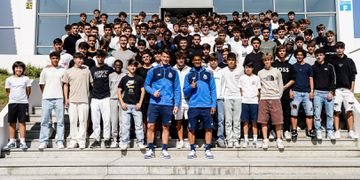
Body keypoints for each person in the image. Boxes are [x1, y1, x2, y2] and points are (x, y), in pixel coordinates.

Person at [144, 50, 181, 159]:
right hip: (154, 103)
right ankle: (150, 148)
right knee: (150, 126)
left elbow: (177, 89)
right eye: (164, 56)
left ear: (169, 58)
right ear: (160, 57)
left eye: (167, 57)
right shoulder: (153, 70)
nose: (165, 59)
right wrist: (152, 92)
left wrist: (176, 104)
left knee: (166, 127)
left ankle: (164, 149)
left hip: (168, 104)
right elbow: (146, 85)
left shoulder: (174, 72)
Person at [183, 55, 217, 159]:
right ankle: (192, 149)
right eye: (195, 60)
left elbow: (213, 90)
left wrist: (213, 104)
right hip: (193, 106)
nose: (197, 61)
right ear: (192, 61)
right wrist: (190, 87)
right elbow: (185, 92)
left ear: (201, 61)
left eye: (199, 60)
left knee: (208, 128)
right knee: (191, 129)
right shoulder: (188, 75)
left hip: (207, 105)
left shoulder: (208, 73)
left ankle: (207, 149)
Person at [62, 52, 93, 149]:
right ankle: (73, 140)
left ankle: (82, 140)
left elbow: (92, 83)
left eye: (82, 59)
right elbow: (65, 85)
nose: (81, 61)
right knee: (73, 121)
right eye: (79, 59)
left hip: (84, 100)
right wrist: (66, 98)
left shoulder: (87, 71)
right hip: (72, 100)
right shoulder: (68, 71)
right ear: (74, 59)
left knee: (83, 121)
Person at [328, 42, 358, 139]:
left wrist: (352, 89)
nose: (339, 50)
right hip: (336, 90)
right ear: (335, 49)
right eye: (337, 48)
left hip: (347, 90)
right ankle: (337, 131)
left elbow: (353, 76)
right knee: (336, 111)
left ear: (344, 49)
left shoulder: (349, 61)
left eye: (341, 48)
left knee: (349, 110)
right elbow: (330, 76)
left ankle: (351, 131)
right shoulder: (332, 61)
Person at [38, 52, 65, 150]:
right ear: (50, 59)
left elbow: (65, 85)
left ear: (59, 59)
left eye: (57, 58)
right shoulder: (45, 70)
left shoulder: (63, 70)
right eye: (53, 58)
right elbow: (41, 84)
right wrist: (46, 93)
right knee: (44, 121)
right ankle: (43, 141)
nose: (55, 60)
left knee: (60, 121)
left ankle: (60, 141)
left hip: (59, 98)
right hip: (46, 98)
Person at [257, 53, 284, 150]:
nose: (267, 62)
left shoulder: (277, 72)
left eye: (268, 60)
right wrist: (260, 97)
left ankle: (279, 139)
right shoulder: (260, 73)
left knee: (277, 120)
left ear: (271, 60)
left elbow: (281, 85)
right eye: (265, 60)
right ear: (263, 62)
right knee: (263, 121)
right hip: (264, 98)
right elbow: (259, 87)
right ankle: (265, 139)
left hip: (275, 97)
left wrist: (278, 96)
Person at [2, 61, 31, 151]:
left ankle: (22, 141)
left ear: (23, 69)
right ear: (14, 69)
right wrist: (13, 99)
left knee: (22, 122)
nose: (19, 69)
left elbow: (28, 91)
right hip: (12, 103)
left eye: (20, 68)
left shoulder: (26, 79)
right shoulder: (9, 79)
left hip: (23, 103)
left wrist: (23, 99)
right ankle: (12, 141)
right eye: (17, 68)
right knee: (12, 122)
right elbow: (8, 91)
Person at [118, 60, 146, 150]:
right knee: (125, 125)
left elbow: (143, 91)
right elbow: (118, 91)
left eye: (134, 66)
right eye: (131, 66)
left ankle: (140, 142)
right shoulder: (124, 79)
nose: (133, 67)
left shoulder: (139, 78)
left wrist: (140, 103)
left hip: (136, 106)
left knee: (139, 125)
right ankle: (125, 142)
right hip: (126, 105)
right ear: (128, 67)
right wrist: (121, 102)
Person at [89, 50, 114, 148]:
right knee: (95, 120)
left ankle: (107, 138)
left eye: (102, 57)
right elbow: (91, 82)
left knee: (107, 119)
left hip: (106, 97)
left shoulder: (109, 69)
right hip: (95, 97)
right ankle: (97, 139)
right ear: (96, 57)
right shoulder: (92, 69)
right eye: (98, 57)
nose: (100, 58)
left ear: (104, 57)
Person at [290, 49, 315, 140]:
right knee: (294, 113)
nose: (299, 56)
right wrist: (290, 91)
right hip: (296, 92)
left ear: (303, 56)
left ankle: (310, 130)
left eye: (301, 55)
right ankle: (294, 130)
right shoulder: (292, 67)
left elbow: (311, 79)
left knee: (309, 113)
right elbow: (291, 80)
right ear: (295, 56)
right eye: (297, 55)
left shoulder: (308, 67)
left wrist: (312, 91)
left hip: (307, 93)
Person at [272, 45, 295, 140]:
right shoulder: (274, 65)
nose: (282, 52)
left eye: (283, 51)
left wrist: (286, 87)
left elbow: (293, 79)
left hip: (285, 92)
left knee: (286, 112)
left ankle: (286, 130)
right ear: (277, 52)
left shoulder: (289, 65)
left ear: (286, 53)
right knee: (274, 112)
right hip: (275, 92)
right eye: (280, 51)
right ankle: (274, 130)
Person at [312, 49, 336, 140]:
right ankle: (318, 130)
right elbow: (311, 81)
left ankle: (330, 131)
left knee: (330, 114)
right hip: (317, 93)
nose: (319, 57)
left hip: (328, 93)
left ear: (324, 56)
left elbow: (333, 80)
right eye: (317, 55)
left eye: (321, 55)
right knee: (317, 114)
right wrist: (313, 91)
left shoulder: (330, 66)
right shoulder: (313, 67)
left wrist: (331, 92)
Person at [222, 52, 243, 148]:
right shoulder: (223, 70)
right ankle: (229, 139)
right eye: (229, 60)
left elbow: (243, 83)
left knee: (237, 119)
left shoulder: (240, 70)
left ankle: (236, 139)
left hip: (238, 96)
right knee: (228, 120)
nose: (231, 62)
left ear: (236, 61)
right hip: (227, 97)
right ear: (227, 61)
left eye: (233, 60)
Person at [239, 62, 261, 148]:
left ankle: (255, 140)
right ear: (244, 68)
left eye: (250, 67)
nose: (248, 69)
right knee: (245, 121)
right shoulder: (242, 78)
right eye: (246, 67)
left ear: (252, 68)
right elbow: (240, 90)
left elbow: (259, 90)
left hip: (254, 102)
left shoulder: (256, 78)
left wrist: (258, 100)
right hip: (244, 102)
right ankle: (246, 139)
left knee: (254, 121)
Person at [207, 55, 226, 148]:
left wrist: (221, 96)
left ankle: (220, 138)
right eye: (211, 60)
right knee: (210, 119)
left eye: (215, 60)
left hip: (219, 99)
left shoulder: (221, 71)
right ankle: (210, 138)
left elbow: (224, 84)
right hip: (209, 100)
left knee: (220, 119)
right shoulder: (205, 71)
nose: (213, 62)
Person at [173, 52, 191, 149]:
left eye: (182, 58)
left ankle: (188, 140)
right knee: (178, 121)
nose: (181, 60)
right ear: (176, 60)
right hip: (177, 99)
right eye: (179, 58)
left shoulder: (189, 70)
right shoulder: (172, 69)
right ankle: (180, 140)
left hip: (188, 99)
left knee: (188, 121)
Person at [109, 60, 126, 148]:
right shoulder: (110, 76)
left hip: (122, 100)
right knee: (114, 120)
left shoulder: (124, 76)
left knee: (122, 120)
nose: (118, 66)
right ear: (114, 66)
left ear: (122, 66)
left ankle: (122, 138)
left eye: (119, 65)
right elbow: (109, 87)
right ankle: (114, 139)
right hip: (113, 99)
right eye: (116, 65)